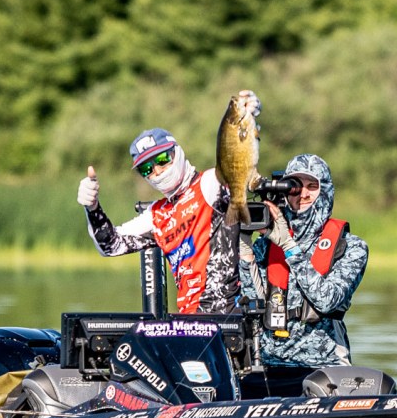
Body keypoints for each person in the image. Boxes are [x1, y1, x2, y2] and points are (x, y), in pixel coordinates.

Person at [76, 91, 261, 314]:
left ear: (177, 152)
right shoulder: (156, 215)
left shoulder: (209, 183)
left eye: (163, 159)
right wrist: (92, 207)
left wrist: (247, 115)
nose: (157, 171)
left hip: (227, 316)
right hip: (188, 319)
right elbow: (110, 246)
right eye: (147, 168)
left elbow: (236, 159)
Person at [238, 153, 368, 393]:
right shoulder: (267, 243)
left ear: (325, 190)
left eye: (312, 186)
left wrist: (289, 246)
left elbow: (327, 300)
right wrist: (245, 252)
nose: (303, 194)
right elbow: (252, 300)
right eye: (294, 187)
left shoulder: (351, 247)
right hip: (271, 366)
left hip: (324, 367)